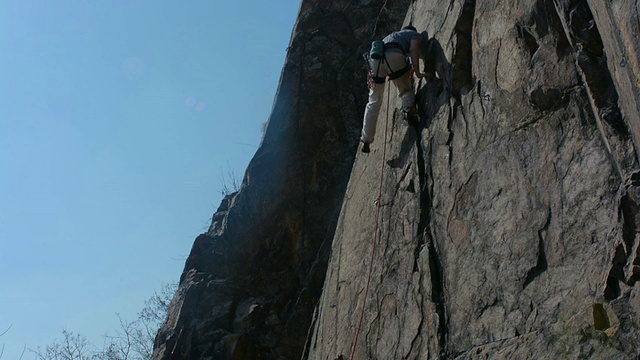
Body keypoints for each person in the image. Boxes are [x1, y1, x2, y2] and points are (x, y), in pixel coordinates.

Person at [360, 25, 426, 153]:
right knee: (405, 89)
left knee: (373, 101)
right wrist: (417, 71)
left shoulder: (390, 37)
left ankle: (366, 140)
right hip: (394, 55)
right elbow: (414, 48)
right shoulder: (413, 35)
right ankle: (409, 110)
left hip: (374, 61)